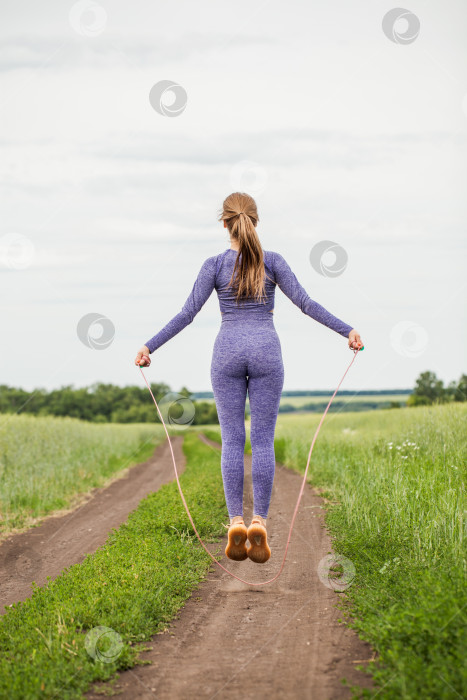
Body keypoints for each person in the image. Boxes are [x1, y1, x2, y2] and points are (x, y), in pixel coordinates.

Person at [135, 192, 363, 564]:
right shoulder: (273, 261)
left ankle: (235, 522)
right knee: (262, 440)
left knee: (232, 440)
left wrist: (150, 346)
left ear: (225, 224)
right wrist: (347, 330)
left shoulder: (213, 265)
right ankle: (259, 520)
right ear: (255, 222)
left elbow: (186, 313)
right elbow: (306, 304)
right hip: (266, 352)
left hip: (225, 353)